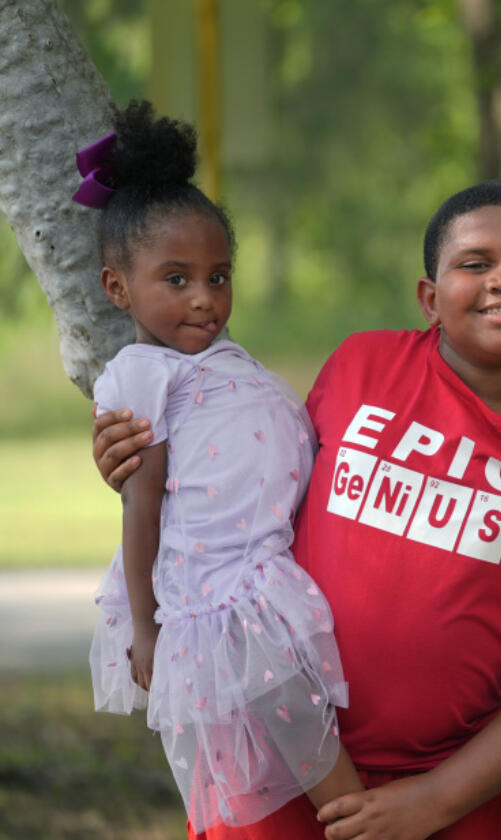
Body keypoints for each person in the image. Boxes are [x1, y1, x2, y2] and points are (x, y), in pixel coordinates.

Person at [91, 178, 501, 840]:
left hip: (455, 793)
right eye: (475, 264)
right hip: (274, 764)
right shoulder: (363, 366)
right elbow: (251, 483)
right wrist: (134, 464)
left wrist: (437, 799)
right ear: (430, 299)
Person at [80, 100, 364, 833]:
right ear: (119, 289)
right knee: (307, 751)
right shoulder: (142, 373)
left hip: (263, 573)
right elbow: (141, 507)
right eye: (176, 280)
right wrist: (148, 628)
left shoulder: (217, 359)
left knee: (302, 739)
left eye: (218, 275)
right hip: (220, 594)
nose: (205, 298)